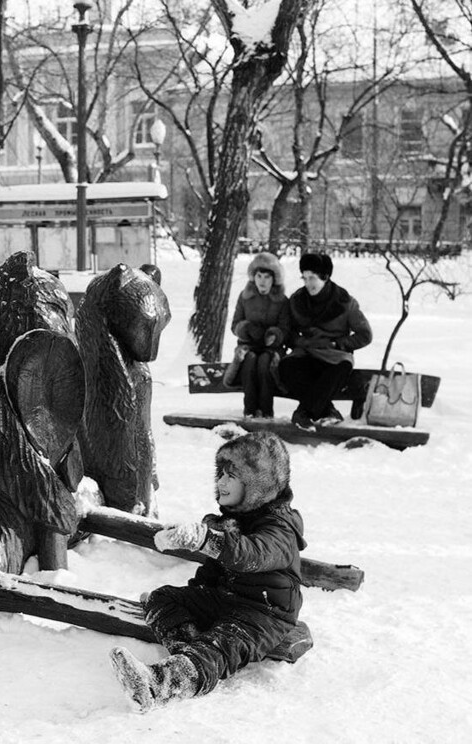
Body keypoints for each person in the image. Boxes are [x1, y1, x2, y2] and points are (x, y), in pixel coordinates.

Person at [109, 431, 305, 713]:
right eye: (220, 474)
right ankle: (188, 651)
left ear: (257, 485)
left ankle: (158, 685)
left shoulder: (280, 529)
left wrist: (205, 540)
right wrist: (195, 596)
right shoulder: (232, 520)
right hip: (227, 598)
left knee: (222, 643)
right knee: (162, 598)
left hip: (264, 612)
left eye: (231, 476)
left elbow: (250, 555)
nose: (221, 482)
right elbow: (213, 570)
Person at [278, 252, 372, 430]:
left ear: (325, 277)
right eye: (304, 278)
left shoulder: (345, 302)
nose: (308, 283)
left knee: (339, 370)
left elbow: (365, 334)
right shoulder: (297, 300)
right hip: (306, 353)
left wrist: (339, 344)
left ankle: (303, 413)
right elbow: (287, 332)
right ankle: (328, 410)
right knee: (286, 368)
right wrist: (300, 342)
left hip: (334, 357)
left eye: (312, 278)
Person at [223, 252, 289, 418]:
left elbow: (286, 329)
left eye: (267, 277)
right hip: (248, 345)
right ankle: (250, 411)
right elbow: (234, 325)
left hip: (271, 349)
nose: (262, 281)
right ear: (253, 277)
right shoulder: (245, 297)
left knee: (264, 362)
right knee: (250, 359)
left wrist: (274, 335)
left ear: (274, 279)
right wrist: (247, 328)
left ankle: (266, 412)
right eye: (259, 276)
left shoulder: (282, 300)